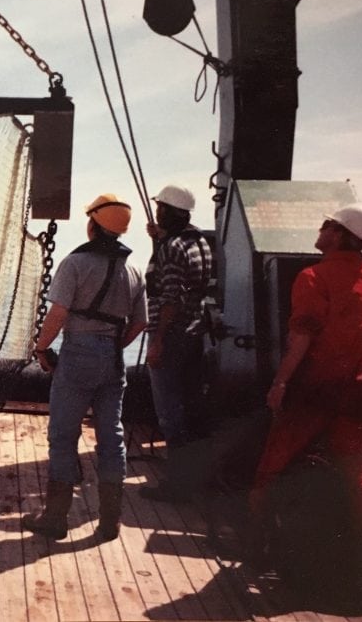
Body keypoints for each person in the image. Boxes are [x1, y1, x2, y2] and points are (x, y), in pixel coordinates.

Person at [249, 203, 362, 597]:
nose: (321, 228)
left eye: (328, 224)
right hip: (361, 391)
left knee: (270, 468)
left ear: (341, 235)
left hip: (315, 389)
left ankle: (255, 548)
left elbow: (303, 338)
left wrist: (279, 384)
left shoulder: (313, 277)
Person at [23, 194, 148, 541]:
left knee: (63, 435)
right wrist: (112, 345)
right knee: (112, 436)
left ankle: (55, 518)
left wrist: (42, 347)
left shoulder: (75, 263)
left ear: (93, 224)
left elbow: (59, 313)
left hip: (78, 354)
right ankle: (110, 522)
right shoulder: (135, 270)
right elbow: (139, 324)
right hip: (112, 357)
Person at [140, 184, 212, 501]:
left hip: (170, 336)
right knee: (190, 407)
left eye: (160, 209)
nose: (157, 213)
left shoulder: (171, 248)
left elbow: (170, 297)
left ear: (168, 211)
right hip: (194, 334)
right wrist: (160, 240)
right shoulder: (199, 242)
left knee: (170, 413)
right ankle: (195, 480)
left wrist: (157, 341)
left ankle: (178, 486)